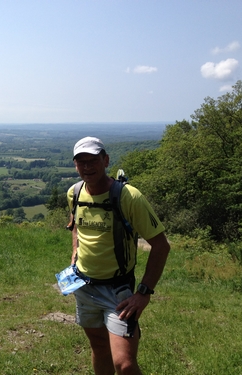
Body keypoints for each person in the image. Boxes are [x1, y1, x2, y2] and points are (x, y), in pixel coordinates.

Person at [67, 136, 170, 375]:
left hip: (118, 291)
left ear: (106, 160)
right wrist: (75, 251)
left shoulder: (128, 197)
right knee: (99, 346)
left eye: (92, 160)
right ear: (75, 165)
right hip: (84, 286)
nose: (87, 166)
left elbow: (161, 246)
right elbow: (75, 226)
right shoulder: (74, 193)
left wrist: (144, 293)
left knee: (124, 364)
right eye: (80, 161)